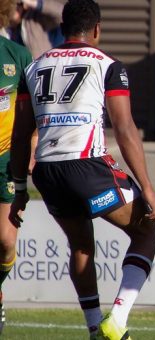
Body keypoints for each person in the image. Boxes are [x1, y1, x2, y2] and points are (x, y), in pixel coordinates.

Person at [9, 0, 155, 339]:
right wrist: (147, 186)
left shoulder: (34, 67)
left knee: (80, 248)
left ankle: (94, 330)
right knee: (148, 230)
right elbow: (124, 129)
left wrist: (19, 188)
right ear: (97, 29)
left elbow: (21, 135)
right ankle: (118, 318)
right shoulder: (107, 65)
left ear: (62, 29)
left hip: (47, 172)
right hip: (86, 166)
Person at [0, 0, 32, 335]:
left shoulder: (17, 56)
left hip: (5, 161)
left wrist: (32, 150)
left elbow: (30, 116)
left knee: (6, 241)